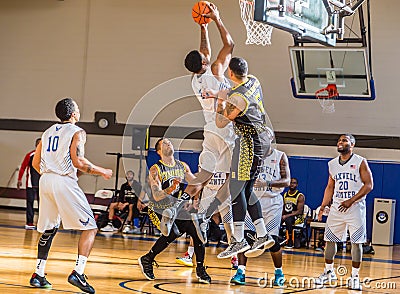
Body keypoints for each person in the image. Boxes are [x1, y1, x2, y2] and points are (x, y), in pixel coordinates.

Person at [160, 1, 235, 237]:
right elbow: (230, 44)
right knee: (231, 186)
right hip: (225, 130)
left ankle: (174, 207)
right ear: (203, 63)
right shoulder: (215, 71)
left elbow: (205, 53)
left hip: (210, 130)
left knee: (204, 177)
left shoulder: (195, 79)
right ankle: (236, 236)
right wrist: (217, 19)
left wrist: (203, 27)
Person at [30, 97, 113, 293]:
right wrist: (103, 171)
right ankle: (78, 272)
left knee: (49, 228)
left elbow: (36, 163)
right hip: (62, 181)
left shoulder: (47, 132)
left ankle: (38, 274)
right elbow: (79, 163)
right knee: (90, 227)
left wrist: (52, 175)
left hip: (46, 180)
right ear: (74, 113)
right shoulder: (77, 131)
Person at [205, 56, 275, 259]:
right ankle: (262, 234)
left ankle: (238, 239)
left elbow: (220, 122)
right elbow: (231, 92)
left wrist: (218, 102)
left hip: (248, 142)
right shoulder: (253, 80)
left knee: (236, 189)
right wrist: (216, 93)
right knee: (246, 189)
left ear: (230, 74)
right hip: (262, 139)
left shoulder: (236, 99)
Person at [138, 138, 211, 284]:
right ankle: (147, 259)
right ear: (159, 151)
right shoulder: (155, 170)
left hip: (176, 207)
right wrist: (171, 189)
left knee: (198, 232)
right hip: (158, 208)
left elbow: (195, 184)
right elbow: (157, 196)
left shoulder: (182, 166)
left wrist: (207, 176)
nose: (168, 144)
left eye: (169, 142)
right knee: (173, 233)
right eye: (164, 143)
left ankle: (201, 269)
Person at [230, 130, 291, 286]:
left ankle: (279, 273)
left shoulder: (279, 156)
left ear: (271, 138)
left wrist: (267, 184)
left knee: (272, 241)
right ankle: (241, 272)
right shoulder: (250, 156)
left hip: (272, 204)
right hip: (252, 202)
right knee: (245, 238)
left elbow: (287, 181)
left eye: (264, 136)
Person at [315, 134, 373, 290]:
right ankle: (328, 272)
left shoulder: (360, 161)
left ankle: (354, 277)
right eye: (339, 140)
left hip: (355, 208)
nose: (341, 142)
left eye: (344, 140)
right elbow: (330, 187)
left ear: (352, 144)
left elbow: (368, 185)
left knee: (356, 243)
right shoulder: (332, 164)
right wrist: (322, 206)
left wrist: (351, 201)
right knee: (329, 240)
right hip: (336, 208)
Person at [17, 138, 41, 229]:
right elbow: (23, 167)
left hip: (42, 184)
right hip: (31, 183)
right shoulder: (30, 155)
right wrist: (19, 179)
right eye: (39, 144)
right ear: (36, 145)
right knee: (30, 203)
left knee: (42, 205)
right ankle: (29, 223)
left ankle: (41, 224)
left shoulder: (47, 156)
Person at [282, 178, 305, 249]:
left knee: (288, 219)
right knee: (276, 219)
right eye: (291, 183)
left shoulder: (300, 196)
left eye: (294, 183)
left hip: (297, 216)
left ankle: (290, 240)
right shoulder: (285, 195)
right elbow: (283, 208)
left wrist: (286, 216)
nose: (292, 184)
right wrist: (281, 216)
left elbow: (299, 211)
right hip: (287, 215)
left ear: (297, 185)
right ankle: (275, 238)